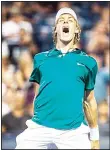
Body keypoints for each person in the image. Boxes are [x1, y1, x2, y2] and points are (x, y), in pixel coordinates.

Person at [15, 7, 100, 149]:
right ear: (55, 29)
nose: (65, 22)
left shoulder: (89, 62)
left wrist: (95, 137)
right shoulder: (40, 59)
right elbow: (39, 92)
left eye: (70, 20)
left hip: (73, 131)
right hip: (39, 127)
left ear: (77, 29)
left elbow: (89, 100)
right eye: (61, 20)